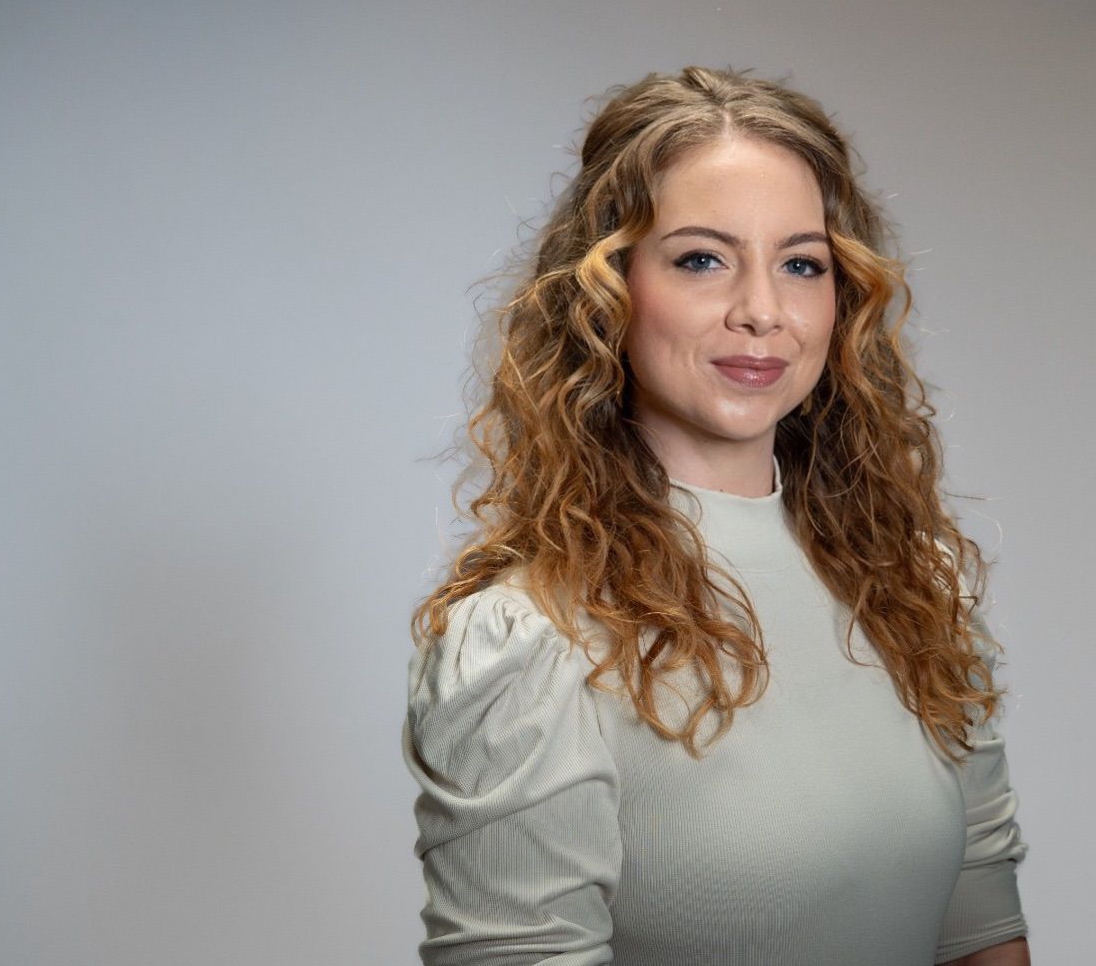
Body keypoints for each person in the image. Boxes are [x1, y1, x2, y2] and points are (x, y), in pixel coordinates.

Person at [401, 65, 1030, 966]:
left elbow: (982, 932)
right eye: (702, 259)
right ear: (609, 289)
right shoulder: (531, 641)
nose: (763, 312)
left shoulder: (918, 590)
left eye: (801, 264)